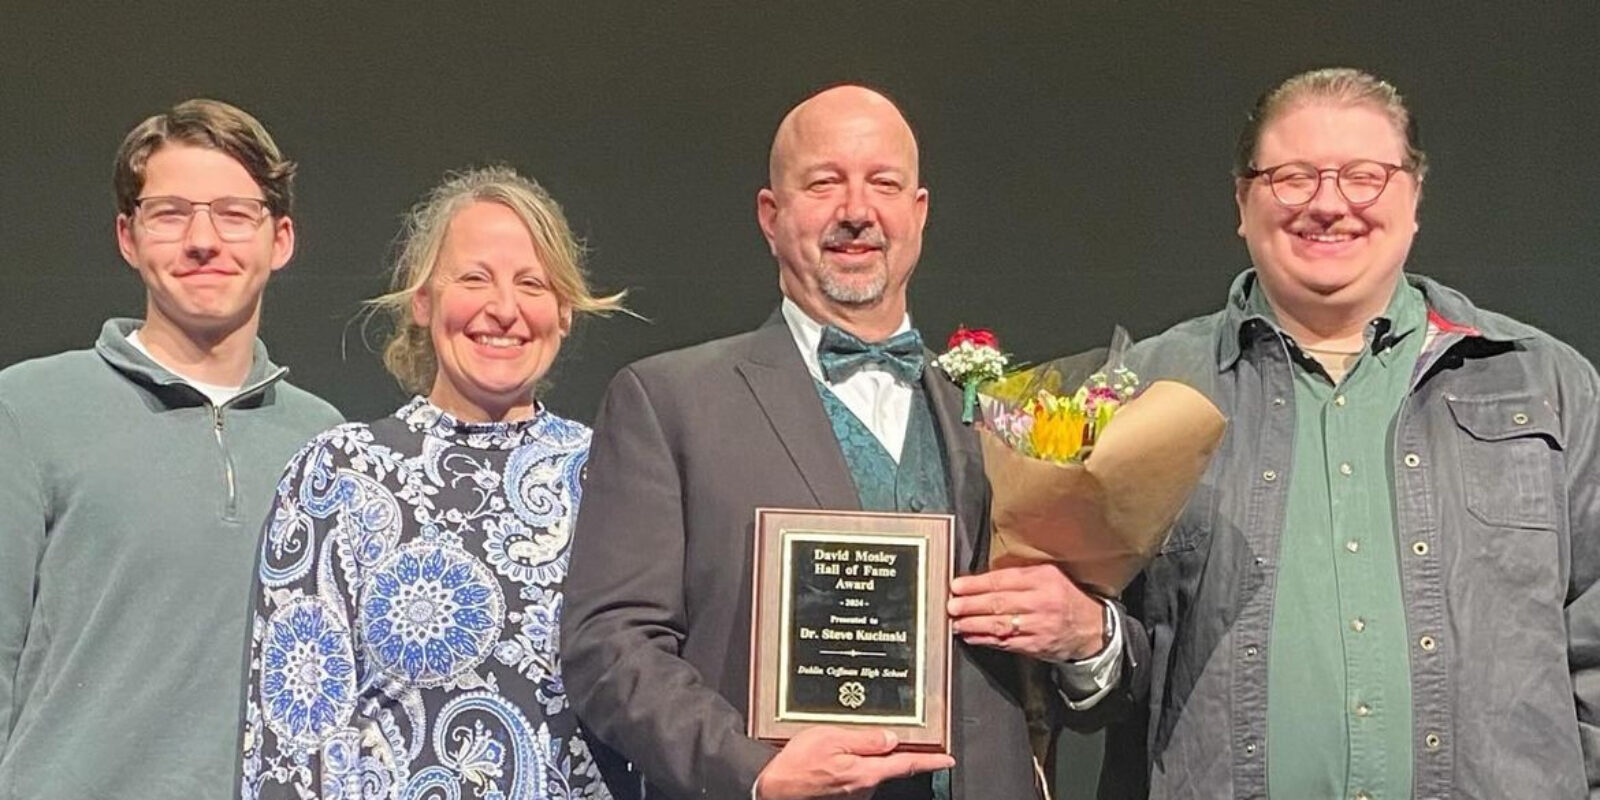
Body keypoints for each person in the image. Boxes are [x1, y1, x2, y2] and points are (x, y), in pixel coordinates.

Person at [562, 85, 1145, 800]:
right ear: (771, 217)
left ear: (919, 214)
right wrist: (754, 770)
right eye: (824, 183)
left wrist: (1087, 634)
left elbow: (1109, 683)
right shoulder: (669, 401)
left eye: (884, 184)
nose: (857, 211)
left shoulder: (1003, 421)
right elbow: (610, 648)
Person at [1113, 67, 1600, 799]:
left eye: (1364, 176)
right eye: (1292, 177)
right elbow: (1093, 665)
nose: (1329, 204)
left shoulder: (1546, 384)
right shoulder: (1142, 389)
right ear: (1243, 200)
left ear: (1414, 198)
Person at [238, 165, 626, 799]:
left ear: (564, 312)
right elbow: (296, 739)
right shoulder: (342, 476)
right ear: (424, 301)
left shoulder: (614, 476)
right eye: (474, 278)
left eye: (532, 283)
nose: (503, 309)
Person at [0, 99, 342, 799]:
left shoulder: (325, 441)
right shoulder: (28, 409)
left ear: (280, 241)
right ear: (128, 238)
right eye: (171, 212)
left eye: (233, 213)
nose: (202, 240)